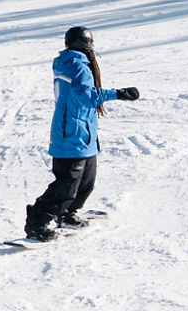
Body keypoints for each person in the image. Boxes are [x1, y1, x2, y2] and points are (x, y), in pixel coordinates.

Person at [26, 27, 139, 242]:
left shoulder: (74, 63)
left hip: (82, 134)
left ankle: (68, 214)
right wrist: (118, 94)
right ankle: (37, 222)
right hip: (72, 136)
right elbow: (85, 96)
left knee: (86, 182)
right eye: (90, 44)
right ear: (84, 44)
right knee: (66, 186)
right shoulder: (77, 65)